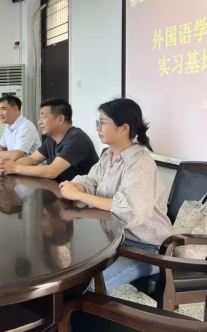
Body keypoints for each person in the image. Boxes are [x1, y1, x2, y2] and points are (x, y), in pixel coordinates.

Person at [59, 98, 172, 292]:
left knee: (87, 284)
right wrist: (77, 186)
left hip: (146, 248)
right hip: (114, 240)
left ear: (123, 128)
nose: (98, 128)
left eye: (103, 123)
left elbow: (130, 211)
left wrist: (81, 196)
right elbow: (92, 181)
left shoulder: (140, 162)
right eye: (98, 122)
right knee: (69, 268)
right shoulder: (108, 155)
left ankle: (91, 310)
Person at [0, 98, 98, 182]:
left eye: (43, 117)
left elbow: (52, 171)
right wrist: (9, 164)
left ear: (60, 119)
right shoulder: (51, 139)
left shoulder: (77, 139)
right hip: (62, 189)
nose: (39, 122)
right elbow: (32, 159)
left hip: (83, 195)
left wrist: (15, 168)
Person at [0, 96, 41, 160]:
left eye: (3, 109)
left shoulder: (26, 126)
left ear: (15, 109)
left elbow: (17, 155)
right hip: (17, 164)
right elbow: (1, 146)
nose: (0, 114)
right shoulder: (8, 126)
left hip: (33, 165)